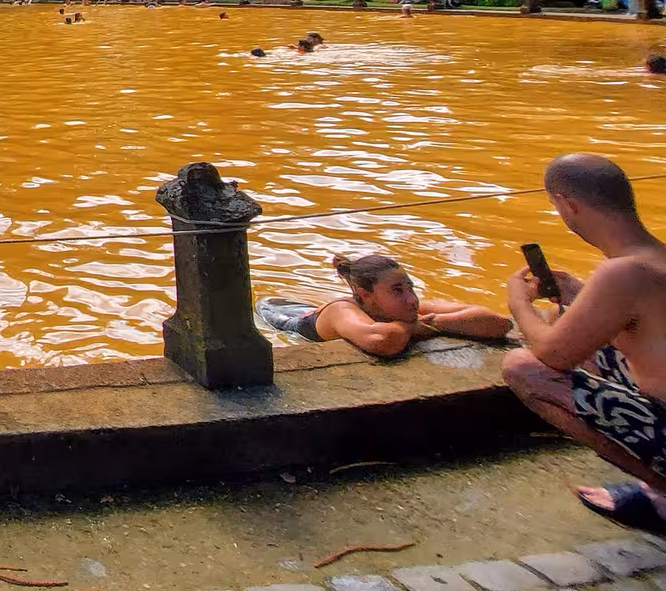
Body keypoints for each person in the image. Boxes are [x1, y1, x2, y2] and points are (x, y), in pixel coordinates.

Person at [501, 154, 666, 536]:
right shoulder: (652, 257)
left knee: (523, 369)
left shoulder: (621, 272)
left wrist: (519, 304)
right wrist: (579, 293)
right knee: (574, 325)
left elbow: (551, 354)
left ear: (566, 205)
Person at [260, 253, 512, 357]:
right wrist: (413, 327)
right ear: (365, 295)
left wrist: (434, 322)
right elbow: (382, 342)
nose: (411, 299)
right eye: (397, 291)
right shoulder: (343, 311)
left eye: (410, 288)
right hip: (284, 320)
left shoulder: (409, 310)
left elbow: (499, 324)